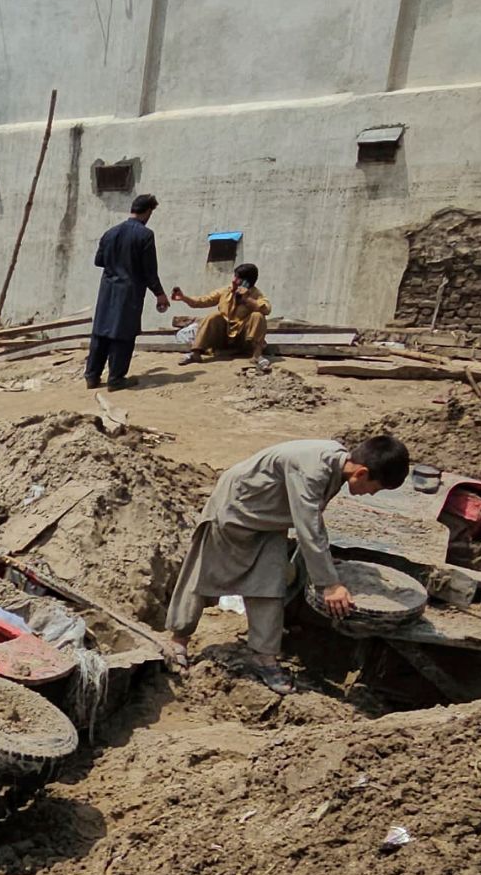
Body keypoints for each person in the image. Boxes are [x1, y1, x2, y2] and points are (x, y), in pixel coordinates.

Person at [162, 435, 411, 693]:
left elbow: (314, 520)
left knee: (269, 584)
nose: (371, 494)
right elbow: (308, 527)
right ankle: (179, 640)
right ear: (362, 473)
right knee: (202, 573)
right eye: (376, 488)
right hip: (235, 509)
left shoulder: (338, 465)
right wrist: (329, 584)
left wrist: (324, 562)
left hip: (269, 521)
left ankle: (264, 657)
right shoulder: (313, 470)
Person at [87, 193, 169, 391]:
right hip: (129, 292)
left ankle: (92, 376)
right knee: (123, 334)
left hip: (107, 290)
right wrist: (159, 293)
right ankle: (116, 379)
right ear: (147, 211)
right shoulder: (145, 235)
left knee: (101, 332)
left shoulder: (110, 233)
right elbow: (149, 270)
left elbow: (99, 261)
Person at [173, 262, 272, 367]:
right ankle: (195, 353)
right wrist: (184, 298)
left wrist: (247, 299)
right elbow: (203, 300)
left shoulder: (256, 294)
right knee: (213, 316)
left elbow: (266, 309)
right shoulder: (226, 291)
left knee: (258, 316)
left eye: (238, 278)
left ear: (246, 282)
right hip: (223, 337)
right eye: (235, 276)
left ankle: (257, 355)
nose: (234, 280)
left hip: (243, 339)